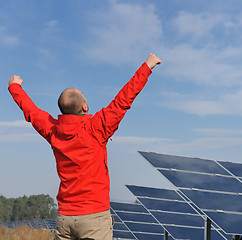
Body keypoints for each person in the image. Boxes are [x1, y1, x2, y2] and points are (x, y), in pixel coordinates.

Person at [8, 53, 162, 240]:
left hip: (65, 219)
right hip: (94, 218)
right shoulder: (96, 128)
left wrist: (14, 87)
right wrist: (147, 66)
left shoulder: (53, 131)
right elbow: (123, 99)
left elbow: (31, 112)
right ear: (84, 107)